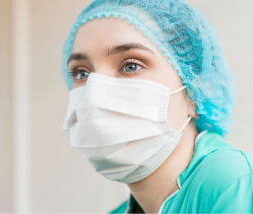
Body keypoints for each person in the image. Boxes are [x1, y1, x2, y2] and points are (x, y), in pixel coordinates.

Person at [61, 0, 253, 213]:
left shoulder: (232, 182)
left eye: (131, 66)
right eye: (82, 73)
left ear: (194, 91)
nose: (93, 95)